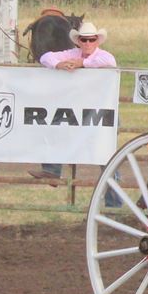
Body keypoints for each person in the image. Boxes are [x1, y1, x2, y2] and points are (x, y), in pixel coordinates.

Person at [31, 21, 119, 181]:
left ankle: (114, 197)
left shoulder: (103, 56)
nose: (87, 43)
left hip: (101, 109)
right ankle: (52, 170)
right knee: (54, 126)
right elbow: (45, 57)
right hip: (79, 108)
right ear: (78, 41)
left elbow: (109, 62)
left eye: (91, 40)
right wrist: (58, 64)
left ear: (97, 41)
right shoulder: (72, 53)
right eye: (84, 40)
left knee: (104, 151)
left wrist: (83, 63)